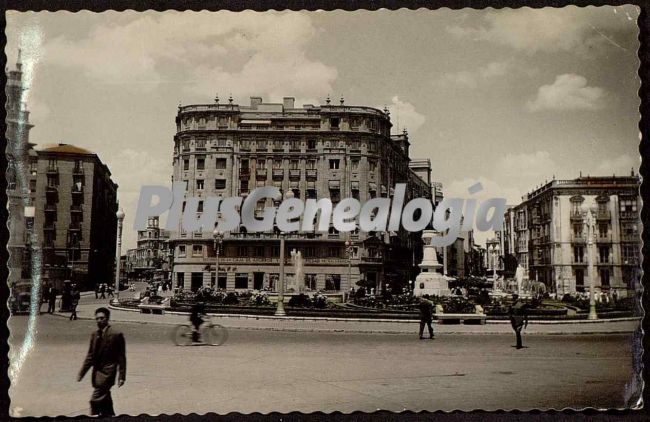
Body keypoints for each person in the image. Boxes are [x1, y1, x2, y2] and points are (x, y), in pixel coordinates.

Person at [78, 307, 126, 416]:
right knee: (105, 400)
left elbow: (121, 357)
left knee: (94, 400)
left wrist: (122, 376)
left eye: (102, 318)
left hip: (108, 373)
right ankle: (110, 416)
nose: (99, 321)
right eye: (97, 318)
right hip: (97, 373)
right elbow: (90, 356)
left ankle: (94, 418)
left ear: (107, 318)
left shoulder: (116, 334)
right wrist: (82, 373)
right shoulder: (94, 335)